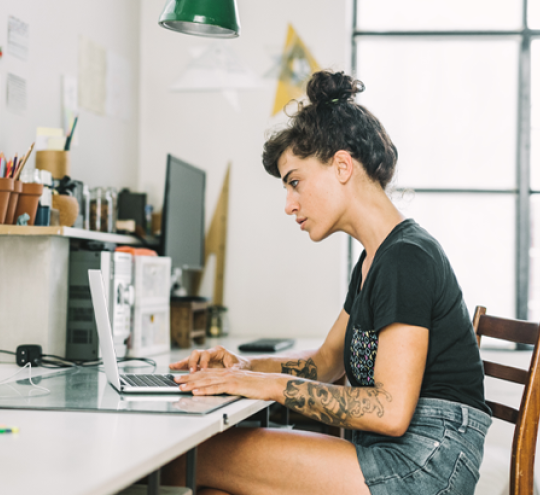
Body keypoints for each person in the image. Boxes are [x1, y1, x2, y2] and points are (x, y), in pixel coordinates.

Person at [162, 70, 492, 495]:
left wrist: (264, 385)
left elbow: (389, 411)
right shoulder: (375, 257)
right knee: (215, 481)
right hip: (403, 450)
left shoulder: (407, 258)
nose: (289, 204)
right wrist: (244, 368)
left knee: (193, 459)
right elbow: (326, 363)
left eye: (295, 182)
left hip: (425, 461)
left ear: (341, 166)